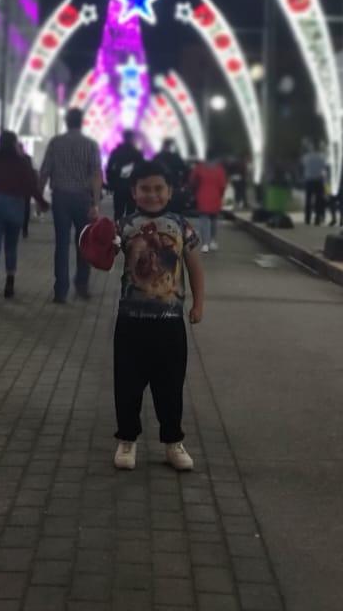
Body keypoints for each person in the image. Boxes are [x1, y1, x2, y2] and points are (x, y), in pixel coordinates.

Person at [112, 159, 206, 473]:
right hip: (131, 322)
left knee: (170, 386)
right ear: (134, 192)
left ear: (169, 192)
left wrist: (198, 304)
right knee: (127, 385)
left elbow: (194, 266)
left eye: (158, 189)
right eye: (145, 189)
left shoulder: (182, 226)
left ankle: (173, 443)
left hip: (170, 323)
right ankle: (127, 440)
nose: (152, 194)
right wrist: (96, 232)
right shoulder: (123, 226)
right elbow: (101, 257)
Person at [39, 108, 103, 304]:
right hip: (83, 199)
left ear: (66, 122)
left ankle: (61, 291)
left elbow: (45, 171)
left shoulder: (55, 143)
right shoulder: (91, 145)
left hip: (61, 198)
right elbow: (96, 175)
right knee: (84, 243)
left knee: (61, 244)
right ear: (81, 122)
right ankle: (82, 285)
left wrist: (39, 198)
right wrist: (96, 203)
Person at [0, 130, 46, 306]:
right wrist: (41, 202)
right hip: (15, 205)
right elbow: (31, 185)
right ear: (15, 144)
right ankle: (9, 284)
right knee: (11, 246)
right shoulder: (22, 162)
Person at [188, 152, 228, 253]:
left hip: (202, 195)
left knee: (204, 220)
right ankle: (213, 241)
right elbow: (223, 185)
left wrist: (194, 191)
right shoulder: (220, 169)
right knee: (214, 219)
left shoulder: (199, 168)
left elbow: (192, 181)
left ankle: (205, 244)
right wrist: (221, 195)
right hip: (216, 196)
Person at [106, 132, 143, 219]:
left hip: (119, 187)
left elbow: (110, 169)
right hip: (132, 187)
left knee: (118, 213)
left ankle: (117, 231)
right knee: (131, 213)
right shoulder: (137, 153)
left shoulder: (116, 152)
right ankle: (128, 231)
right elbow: (142, 171)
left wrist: (111, 183)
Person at [301, 142, 329, 226]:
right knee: (318, 200)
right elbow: (325, 168)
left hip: (309, 180)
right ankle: (317, 218)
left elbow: (303, 166)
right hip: (318, 180)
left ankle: (307, 218)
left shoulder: (306, 157)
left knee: (308, 200)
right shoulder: (322, 157)